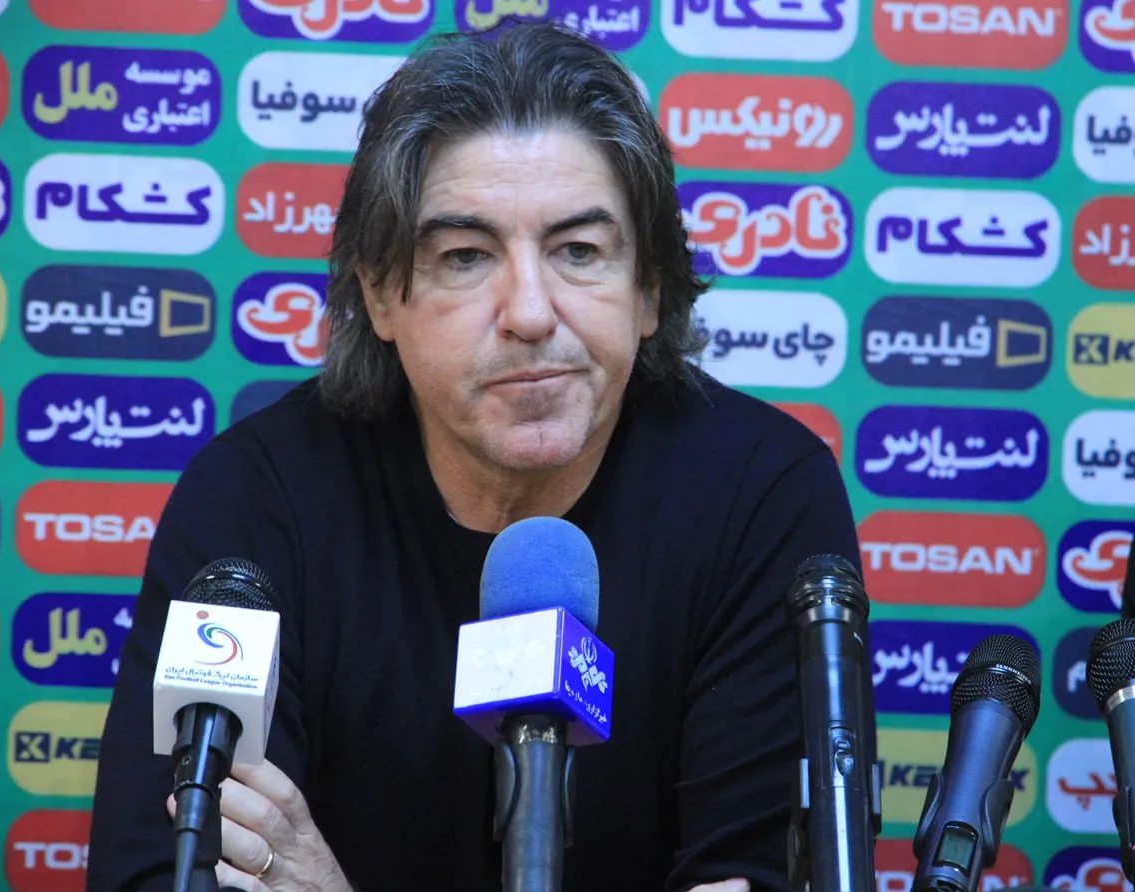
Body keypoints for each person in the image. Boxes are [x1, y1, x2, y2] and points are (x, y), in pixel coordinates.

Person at [87, 21, 868, 892]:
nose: (529, 312)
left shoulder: (761, 493)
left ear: (649, 287)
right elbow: (161, 868)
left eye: (579, 251)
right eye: (465, 257)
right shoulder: (255, 501)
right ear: (380, 294)